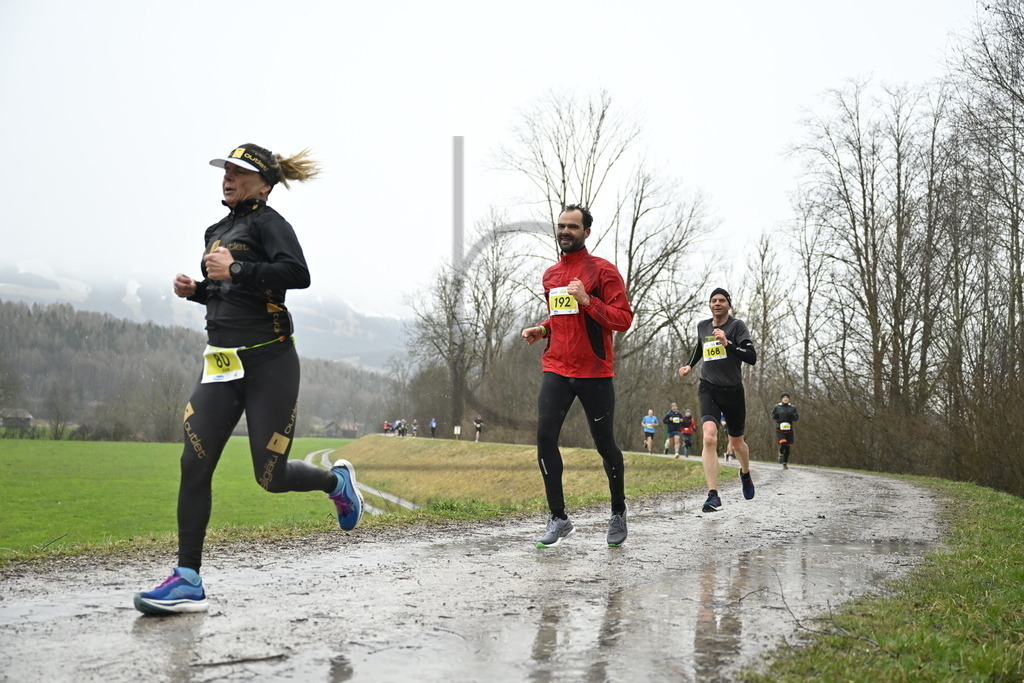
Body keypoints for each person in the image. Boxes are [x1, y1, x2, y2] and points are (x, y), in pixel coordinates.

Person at [133, 143, 363, 615]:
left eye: (239, 172)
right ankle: (188, 578)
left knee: (270, 476)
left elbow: (297, 275)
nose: (227, 177)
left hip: (269, 363)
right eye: (225, 170)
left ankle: (335, 483)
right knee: (193, 462)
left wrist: (237, 267)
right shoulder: (216, 229)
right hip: (220, 363)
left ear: (264, 183)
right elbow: (229, 294)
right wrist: (199, 291)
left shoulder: (270, 223)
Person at [521, 204, 634, 548]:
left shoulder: (603, 271)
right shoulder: (551, 275)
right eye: (561, 226)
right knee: (544, 438)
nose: (565, 231)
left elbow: (622, 319)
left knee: (605, 445)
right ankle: (558, 517)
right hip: (556, 366)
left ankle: (617, 510)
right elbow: (560, 317)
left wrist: (588, 300)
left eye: (573, 226)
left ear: (587, 232)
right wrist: (542, 329)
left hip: (594, 371)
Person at [677, 287, 757, 513]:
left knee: (737, 443)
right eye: (714, 300)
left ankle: (745, 473)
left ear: (729, 304)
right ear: (710, 304)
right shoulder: (703, 326)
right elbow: (699, 348)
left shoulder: (737, 326)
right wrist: (689, 366)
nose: (717, 303)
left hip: (732, 391)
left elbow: (751, 357)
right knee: (709, 438)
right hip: (708, 388)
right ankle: (713, 495)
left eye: (722, 300)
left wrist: (728, 344)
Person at [772, 392, 799, 469]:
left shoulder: (792, 408)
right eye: (784, 397)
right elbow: (773, 416)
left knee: (787, 448)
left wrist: (793, 415)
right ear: (781, 399)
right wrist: (776, 415)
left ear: (789, 399)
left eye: (787, 397)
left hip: (789, 430)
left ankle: (785, 463)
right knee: (783, 443)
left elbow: (796, 418)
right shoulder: (777, 407)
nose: (785, 398)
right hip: (780, 429)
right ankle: (780, 453)